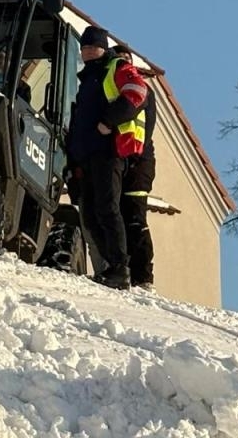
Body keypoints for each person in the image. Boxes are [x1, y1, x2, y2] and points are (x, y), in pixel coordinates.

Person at [67, 25, 149, 290]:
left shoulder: (115, 68)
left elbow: (138, 92)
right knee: (91, 214)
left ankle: (119, 269)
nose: (88, 51)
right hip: (87, 156)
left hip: (109, 152)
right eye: (85, 48)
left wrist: (108, 121)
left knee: (107, 209)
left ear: (104, 48)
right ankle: (109, 267)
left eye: (93, 47)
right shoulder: (88, 78)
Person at [112, 44, 157, 290]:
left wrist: (136, 156)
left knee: (135, 219)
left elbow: (146, 129)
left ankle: (143, 275)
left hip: (139, 163)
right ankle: (127, 270)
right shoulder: (112, 87)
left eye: (124, 59)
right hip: (123, 159)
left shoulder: (142, 89)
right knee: (118, 215)